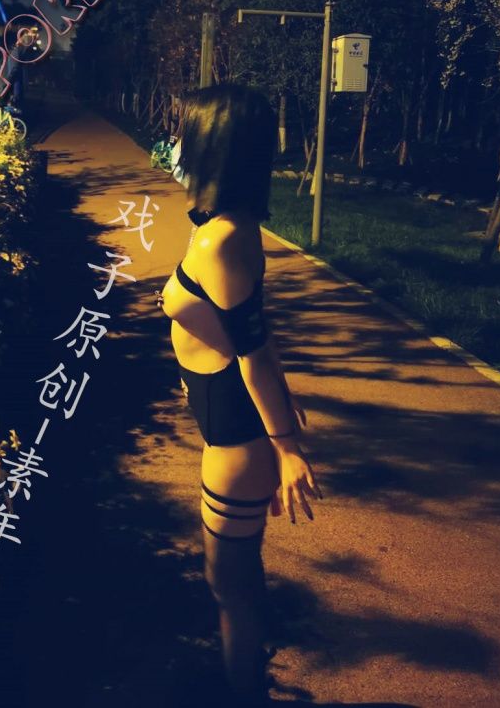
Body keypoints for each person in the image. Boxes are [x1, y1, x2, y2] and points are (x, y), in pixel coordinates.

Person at [157, 82, 322, 705]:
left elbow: (251, 356)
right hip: (230, 426)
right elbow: (256, 328)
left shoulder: (221, 239)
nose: (174, 143)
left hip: (236, 439)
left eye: (183, 133)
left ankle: (243, 691)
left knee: (230, 588)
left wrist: (287, 448)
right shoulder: (226, 227)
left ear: (212, 146)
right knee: (234, 582)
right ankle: (246, 679)